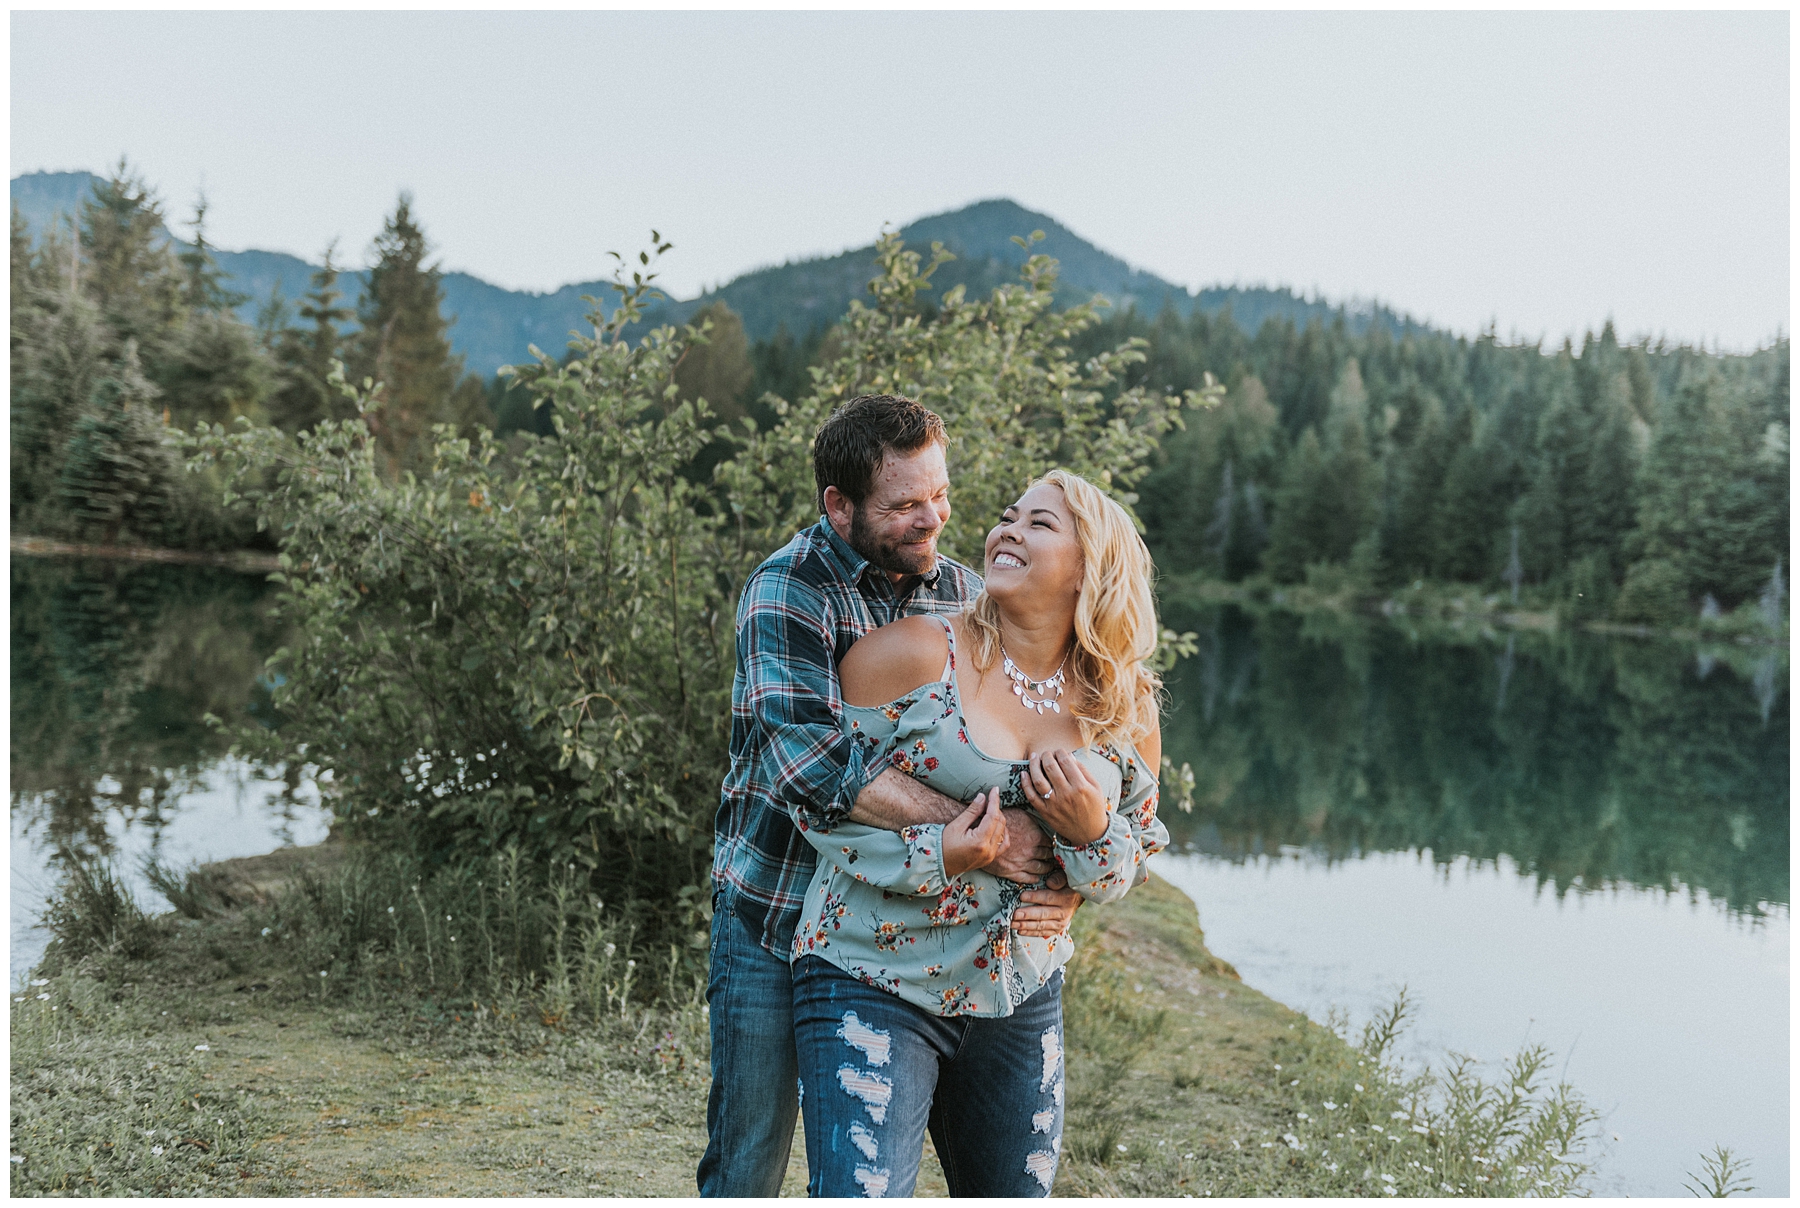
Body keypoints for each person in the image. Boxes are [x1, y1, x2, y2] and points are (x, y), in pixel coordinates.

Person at [698, 395, 1084, 1197]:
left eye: (939, 494)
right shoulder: (787, 593)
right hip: (775, 912)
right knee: (748, 1163)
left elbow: (1024, 743)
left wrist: (1061, 879)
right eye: (904, 505)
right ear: (838, 505)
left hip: (902, 948)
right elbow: (812, 767)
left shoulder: (969, 594)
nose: (933, 518)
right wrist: (983, 834)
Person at [787, 468, 1170, 1198]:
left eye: (1040, 523)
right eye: (1007, 516)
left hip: (1019, 996)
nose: (1007, 531)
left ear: (1093, 566)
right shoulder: (913, 656)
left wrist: (1090, 835)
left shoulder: (1124, 704)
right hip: (871, 977)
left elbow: (1136, 851)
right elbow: (820, 800)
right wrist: (945, 851)